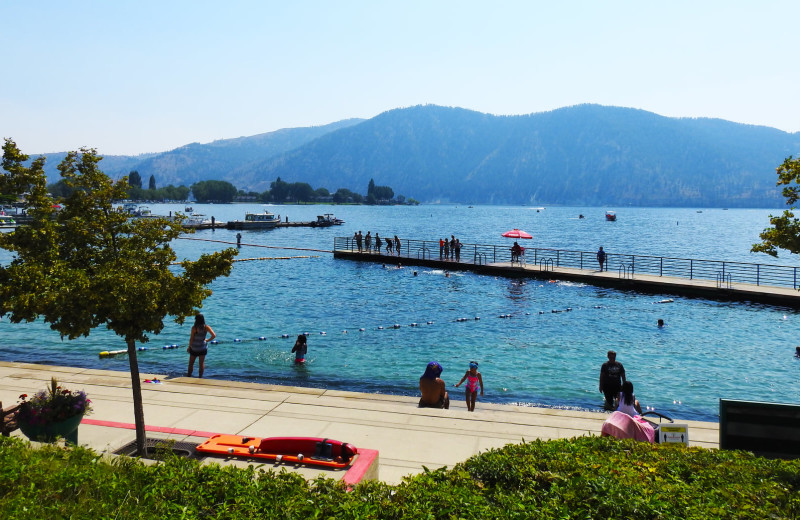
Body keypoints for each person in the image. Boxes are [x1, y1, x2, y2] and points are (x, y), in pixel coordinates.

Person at [187, 313, 216, 377]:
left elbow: (191, 339)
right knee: (201, 363)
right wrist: (207, 340)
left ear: (196, 320)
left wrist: (189, 347)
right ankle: (200, 377)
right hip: (202, 347)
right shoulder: (206, 327)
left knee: (191, 363)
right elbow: (214, 335)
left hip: (194, 348)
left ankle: (189, 375)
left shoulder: (194, 328)